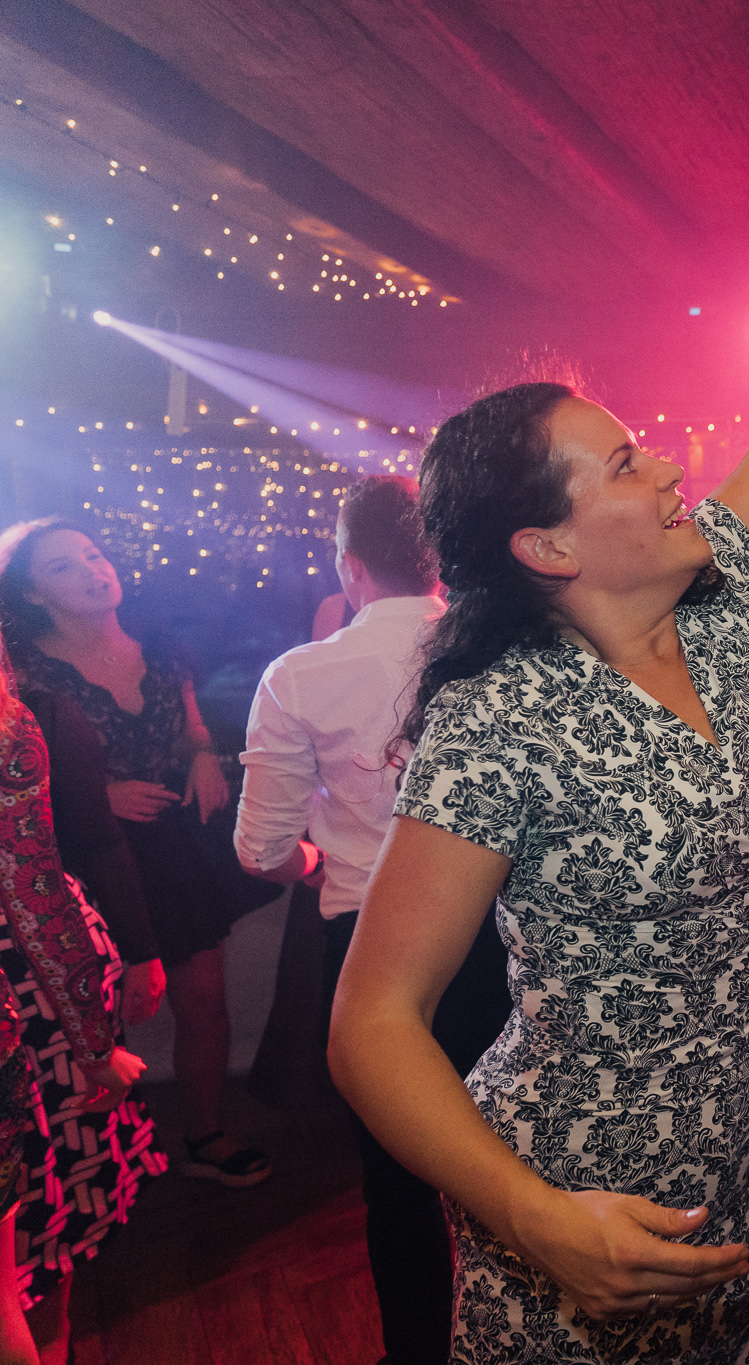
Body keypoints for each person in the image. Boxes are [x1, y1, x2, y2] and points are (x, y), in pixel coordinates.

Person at [326, 53, 749, 1365]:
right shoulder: (502, 717)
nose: (667, 466)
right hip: (570, 1206)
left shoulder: (724, 600)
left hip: (736, 1183)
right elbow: (370, 1025)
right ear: (546, 546)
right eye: (621, 463)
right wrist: (533, 1220)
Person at [236, 474, 508, 1365]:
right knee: (525, 1157)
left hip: (372, 944)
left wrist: (314, 860)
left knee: (398, 1180)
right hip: (507, 934)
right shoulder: (509, 648)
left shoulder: (300, 674)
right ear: (437, 558)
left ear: (350, 565)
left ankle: (420, 1353)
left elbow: (261, 848)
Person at [0, 520, 269, 1189]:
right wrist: (98, 794)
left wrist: (202, 755)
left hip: (171, 844)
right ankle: (96, 1162)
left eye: (93, 555)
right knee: (94, 1012)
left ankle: (203, 1132)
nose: (93, 570)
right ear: (32, 595)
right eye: (63, 567)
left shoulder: (159, 643)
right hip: (84, 856)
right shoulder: (25, 671)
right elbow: (19, 784)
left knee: (202, 998)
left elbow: (190, 727)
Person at [9, 681, 167, 1361]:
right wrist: (96, 1050)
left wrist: (96, 1041)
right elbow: (31, 883)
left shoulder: (27, 714)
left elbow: (49, 872)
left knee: (49, 1188)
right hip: (35, 979)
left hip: (37, 982)